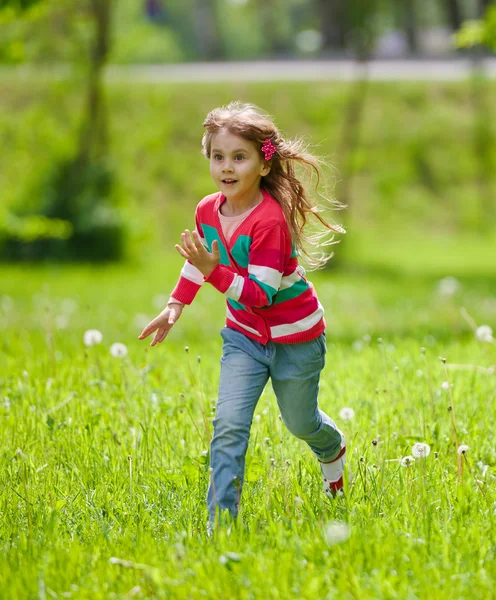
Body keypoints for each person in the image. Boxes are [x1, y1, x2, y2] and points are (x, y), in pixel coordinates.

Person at [138, 101, 346, 529]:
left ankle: (333, 450)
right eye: (218, 157)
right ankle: (222, 528)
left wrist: (214, 272)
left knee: (301, 422)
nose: (226, 168)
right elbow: (200, 260)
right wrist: (175, 304)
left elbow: (260, 293)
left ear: (263, 166)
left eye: (239, 157)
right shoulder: (206, 210)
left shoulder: (270, 221)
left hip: (296, 340)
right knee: (229, 425)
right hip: (244, 338)